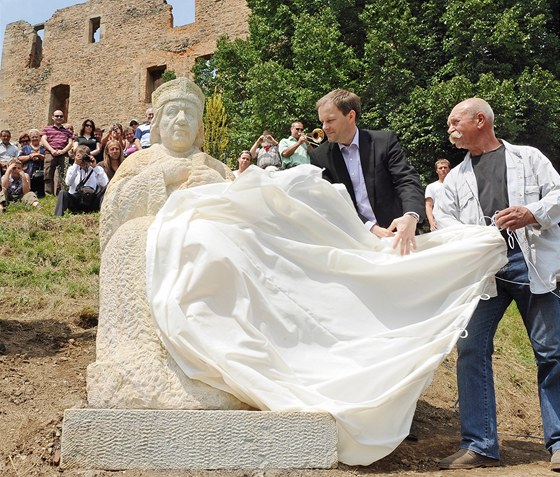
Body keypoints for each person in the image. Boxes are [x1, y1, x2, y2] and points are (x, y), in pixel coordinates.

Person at [88, 77, 237, 411]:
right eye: (172, 112)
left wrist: (221, 187)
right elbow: (113, 213)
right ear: (156, 123)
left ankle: (213, 367)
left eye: (189, 114)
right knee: (132, 237)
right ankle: (139, 359)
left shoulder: (216, 168)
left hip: (203, 248)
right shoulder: (138, 163)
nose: (181, 120)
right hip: (149, 247)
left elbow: (246, 214)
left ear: (200, 126)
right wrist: (162, 176)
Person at [435, 98, 560, 471]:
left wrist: (531, 212)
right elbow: (444, 221)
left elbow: (558, 194)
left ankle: (558, 443)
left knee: (551, 352)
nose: (450, 128)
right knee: (471, 351)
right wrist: (480, 238)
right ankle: (480, 445)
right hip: (486, 271)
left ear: (479, 120)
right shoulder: (455, 178)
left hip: (532, 264)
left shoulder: (529, 158)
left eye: (454, 121)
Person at [310, 88, 425, 256]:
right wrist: (369, 228)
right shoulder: (319, 156)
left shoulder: (384, 142)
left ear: (351, 116)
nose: (324, 127)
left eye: (330, 120)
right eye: (322, 121)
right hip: (354, 245)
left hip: (398, 239)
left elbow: (406, 179)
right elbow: (331, 202)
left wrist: (411, 216)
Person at [54, 145, 109, 216]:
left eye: (84, 157)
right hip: (77, 201)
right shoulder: (72, 168)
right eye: (79, 156)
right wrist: (76, 165)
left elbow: (105, 184)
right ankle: (58, 217)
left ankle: (104, 214)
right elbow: (68, 183)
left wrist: (95, 167)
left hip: (92, 200)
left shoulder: (97, 169)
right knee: (62, 193)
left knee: (106, 190)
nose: (82, 160)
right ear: (75, 157)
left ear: (89, 156)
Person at [41, 110, 73, 195]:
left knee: (64, 174)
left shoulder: (68, 131)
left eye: (61, 116)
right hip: (50, 153)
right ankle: (49, 194)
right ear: (53, 117)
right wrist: (52, 150)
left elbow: (70, 143)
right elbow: (43, 140)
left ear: (63, 118)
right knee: (48, 174)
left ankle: (62, 194)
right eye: (57, 116)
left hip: (63, 153)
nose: (59, 118)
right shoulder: (46, 129)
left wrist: (63, 151)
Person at [18, 129, 46, 198]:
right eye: (33, 137)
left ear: (40, 138)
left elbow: (47, 158)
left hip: (41, 172)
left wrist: (39, 155)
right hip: (29, 171)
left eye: (36, 137)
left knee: (41, 189)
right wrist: (30, 156)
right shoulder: (25, 148)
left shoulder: (44, 148)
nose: (35, 138)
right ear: (30, 138)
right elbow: (19, 158)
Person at [425, 158, 450, 231]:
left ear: (449, 169)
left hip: (455, 220)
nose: (443, 169)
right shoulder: (431, 187)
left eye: (445, 167)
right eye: (440, 168)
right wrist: (431, 221)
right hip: (439, 222)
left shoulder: (456, 185)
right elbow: (428, 205)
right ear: (437, 171)